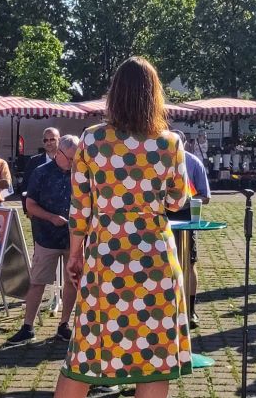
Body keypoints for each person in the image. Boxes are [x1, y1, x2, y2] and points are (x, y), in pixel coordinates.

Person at [55, 56, 190, 397]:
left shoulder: (92, 139)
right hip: (155, 260)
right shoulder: (170, 143)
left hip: (107, 258)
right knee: (153, 362)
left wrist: (75, 255)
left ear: (114, 95)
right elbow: (177, 201)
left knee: (85, 356)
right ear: (154, 96)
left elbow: (80, 207)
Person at [6, 134, 79, 346]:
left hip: (73, 238)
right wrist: (51, 217)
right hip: (46, 236)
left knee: (72, 281)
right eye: (71, 158)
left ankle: (64, 325)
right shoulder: (41, 173)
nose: (74, 163)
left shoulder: (80, 173)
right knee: (37, 282)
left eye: (77, 158)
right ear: (59, 154)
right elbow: (30, 205)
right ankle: (27, 327)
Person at [169, 130, 212, 329]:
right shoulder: (158, 159)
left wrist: (188, 201)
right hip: (162, 218)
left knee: (189, 261)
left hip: (187, 218)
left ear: (184, 143)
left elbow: (206, 196)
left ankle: (190, 308)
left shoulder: (193, 162)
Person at [21, 127, 59, 207]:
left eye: (52, 139)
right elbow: (25, 187)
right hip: (38, 211)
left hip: (60, 210)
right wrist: (27, 210)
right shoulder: (33, 161)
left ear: (59, 140)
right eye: (46, 140)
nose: (48, 143)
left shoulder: (65, 160)